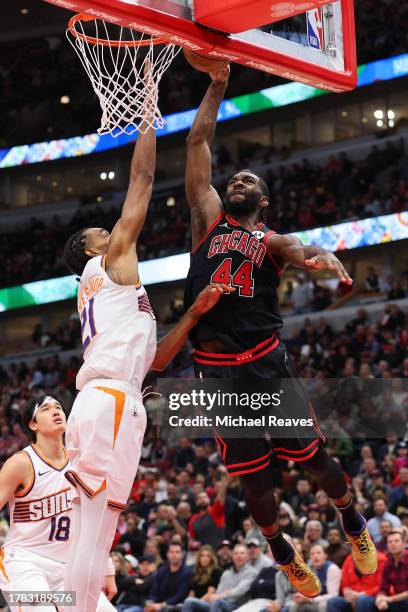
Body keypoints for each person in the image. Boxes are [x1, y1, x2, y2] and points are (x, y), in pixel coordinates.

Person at [182, 63, 377, 599]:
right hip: (218, 376)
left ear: (263, 201)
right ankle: (282, 552)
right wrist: (217, 85)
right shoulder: (206, 222)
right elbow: (199, 142)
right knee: (254, 479)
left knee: (313, 457)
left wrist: (324, 255)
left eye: (249, 182)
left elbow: (304, 248)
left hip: (267, 366)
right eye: (234, 179)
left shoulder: (270, 241)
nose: (236, 181)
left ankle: (352, 518)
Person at [62, 91, 233, 609]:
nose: (113, 230)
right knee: (91, 523)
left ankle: (80, 600)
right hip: (109, 400)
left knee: (102, 522)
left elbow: (155, 362)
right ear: (95, 247)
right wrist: (146, 120)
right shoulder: (110, 262)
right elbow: (141, 182)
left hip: (117, 397)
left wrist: (193, 316)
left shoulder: (105, 287)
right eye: (104, 231)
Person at [0, 395, 115, 612]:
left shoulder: (81, 461)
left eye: (58, 407)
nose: (55, 411)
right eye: (45, 409)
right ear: (33, 424)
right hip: (25, 563)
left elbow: (94, 519)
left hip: (68, 569)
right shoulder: (21, 463)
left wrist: (107, 568)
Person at [182, 543, 257, 612]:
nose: (239, 556)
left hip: (238, 605)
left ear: (247, 556)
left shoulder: (251, 572)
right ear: (232, 556)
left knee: (217, 602)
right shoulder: (227, 573)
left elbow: (240, 591)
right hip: (220, 602)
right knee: (189, 601)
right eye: (236, 553)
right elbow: (219, 592)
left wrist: (223, 595)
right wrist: (220, 595)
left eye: (242, 553)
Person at [354, 530, 408, 611]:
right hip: (395, 600)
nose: (393, 544)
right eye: (390, 542)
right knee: (364, 600)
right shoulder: (389, 562)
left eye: (396, 541)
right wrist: (381, 598)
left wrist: (389, 599)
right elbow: (383, 587)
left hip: (403, 599)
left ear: (404, 544)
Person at [285, 544, 341, 612]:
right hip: (313, 600)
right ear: (310, 557)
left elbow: (333, 595)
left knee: (323, 605)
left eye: (319, 553)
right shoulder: (308, 568)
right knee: (293, 605)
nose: (315, 556)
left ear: (325, 555)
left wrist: (310, 599)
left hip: (327, 601)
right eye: (312, 554)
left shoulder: (332, 569)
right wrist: (301, 596)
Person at [146, 541, 192, 611]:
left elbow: (180, 595)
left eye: (177, 552)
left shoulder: (187, 573)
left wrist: (162, 605)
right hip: (158, 606)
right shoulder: (161, 571)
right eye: (171, 552)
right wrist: (151, 603)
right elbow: (154, 591)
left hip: (176, 607)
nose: (174, 555)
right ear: (167, 554)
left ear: (182, 555)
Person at [182, 545, 222, 609]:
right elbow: (191, 593)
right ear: (199, 558)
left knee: (189, 602)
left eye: (208, 556)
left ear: (211, 558)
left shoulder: (216, 571)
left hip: (208, 604)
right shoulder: (195, 573)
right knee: (174, 608)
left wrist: (195, 603)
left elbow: (210, 594)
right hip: (193, 603)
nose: (204, 558)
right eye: (202, 555)